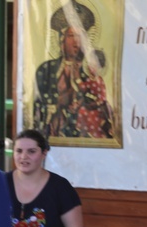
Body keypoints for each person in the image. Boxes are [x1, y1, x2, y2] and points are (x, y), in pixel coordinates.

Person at [32, 0, 114, 139]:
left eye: (81, 36)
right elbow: (38, 109)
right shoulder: (47, 70)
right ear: (61, 39)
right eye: (71, 36)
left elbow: (100, 103)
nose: (76, 41)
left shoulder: (91, 72)